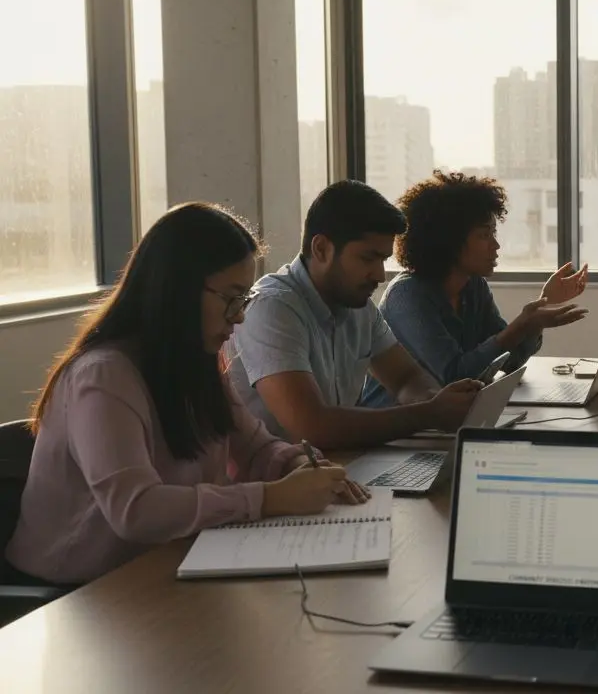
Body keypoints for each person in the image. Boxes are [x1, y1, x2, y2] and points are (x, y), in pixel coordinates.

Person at [3, 203, 366, 587]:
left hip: (162, 565)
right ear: (176, 290)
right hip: (74, 594)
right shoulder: (103, 376)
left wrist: (297, 466)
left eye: (244, 300)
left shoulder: (197, 361)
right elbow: (136, 510)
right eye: (231, 298)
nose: (239, 316)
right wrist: (269, 498)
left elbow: (255, 447)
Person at [226, 180, 480, 450]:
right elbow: (313, 427)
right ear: (321, 249)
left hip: (335, 468)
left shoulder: (358, 307)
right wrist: (428, 414)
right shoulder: (271, 308)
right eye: (368, 259)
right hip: (278, 481)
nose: (379, 275)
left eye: (383, 260)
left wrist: (433, 400)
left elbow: (406, 377)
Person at [359, 170, 588, 408]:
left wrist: (541, 309)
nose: (496, 245)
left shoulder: (473, 286)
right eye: (484, 235)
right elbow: (454, 377)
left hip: (446, 422)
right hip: (397, 432)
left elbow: (509, 362)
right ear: (449, 241)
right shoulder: (407, 296)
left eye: (493, 233)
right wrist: (521, 325)